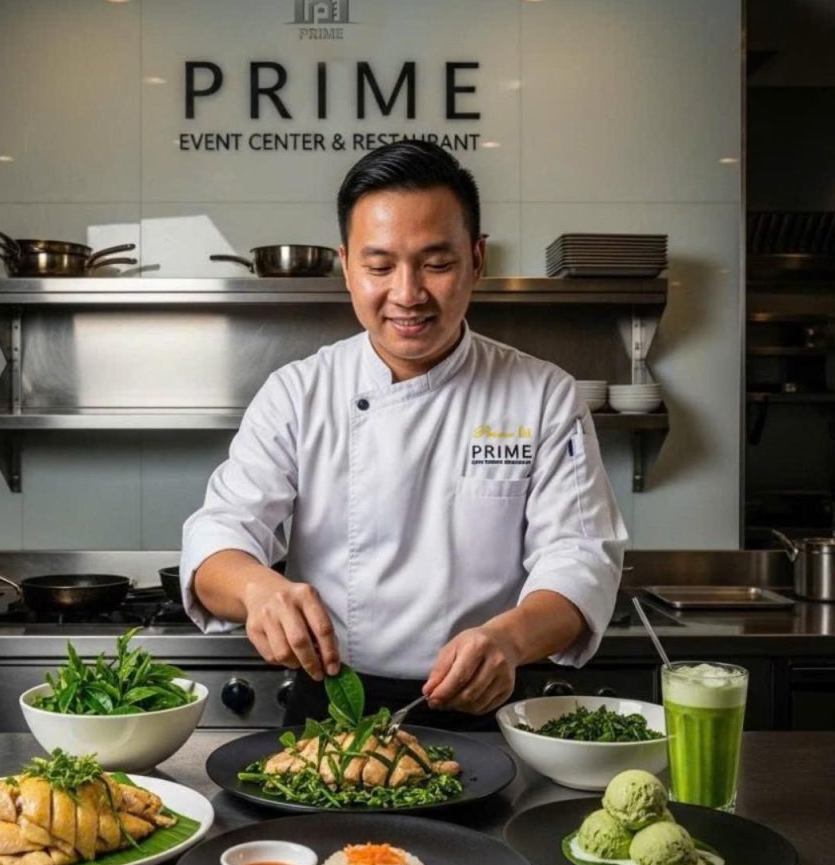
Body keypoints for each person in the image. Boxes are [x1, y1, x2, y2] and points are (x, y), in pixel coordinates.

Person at [180, 140, 627, 728]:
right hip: (331, 708)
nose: (408, 294)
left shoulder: (543, 396)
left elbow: (579, 559)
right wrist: (259, 590)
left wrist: (510, 639)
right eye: (380, 266)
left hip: (482, 702)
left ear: (476, 259)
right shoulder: (298, 392)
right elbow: (218, 537)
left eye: (436, 264)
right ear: (347, 266)